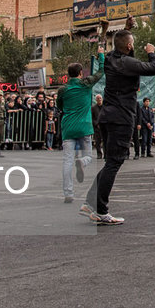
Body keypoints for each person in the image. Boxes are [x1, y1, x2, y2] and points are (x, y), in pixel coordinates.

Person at [82, 28, 155, 226]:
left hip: (108, 117)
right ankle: (100, 210)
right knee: (114, 163)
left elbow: (119, 51)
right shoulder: (127, 63)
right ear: (129, 46)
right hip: (121, 117)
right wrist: (151, 52)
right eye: (131, 43)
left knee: (110, 162)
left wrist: (127, 29)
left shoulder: (110, 60)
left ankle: (91, 203)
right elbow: (153, 67)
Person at [57, 48, 104, 204]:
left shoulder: (63, 89)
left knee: (67, 161)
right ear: (80, 73)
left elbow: (60, 106)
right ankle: (82, 162)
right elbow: (101, 72)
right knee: (89, 156)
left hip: (68, 126)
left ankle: (68, 193)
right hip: (84, 126)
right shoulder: (85, 84)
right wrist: (101, 55)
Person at [91, 94, 104, 159]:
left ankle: (106, 153)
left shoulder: (105, 107)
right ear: (96, 100)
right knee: (97, 141)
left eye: (100, 98)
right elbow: (92, 118)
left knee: (105, 141)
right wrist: (96, 124)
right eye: (98, 99)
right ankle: (99, 154)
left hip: (104, 126)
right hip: (97, 127)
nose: (99, 100)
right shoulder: (93, 108)